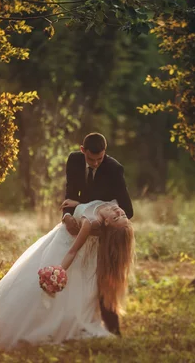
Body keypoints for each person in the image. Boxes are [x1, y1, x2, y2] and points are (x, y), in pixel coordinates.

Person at [0, 199, 134, 350]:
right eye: (122, 214)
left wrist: (58, 270)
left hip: (69, 247)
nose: (119, 212)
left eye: (117, 218)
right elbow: (92, 205)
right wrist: (77, 205)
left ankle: (49, 324)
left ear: (106, 223)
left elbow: (73, 251)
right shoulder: (113, 204)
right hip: (56, 238)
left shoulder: (91, 223)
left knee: (68, 292)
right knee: (28, 276)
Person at [62, 132, 133, 335]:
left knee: (102, 280)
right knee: (73, 274)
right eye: (90, 159)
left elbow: (128, 210)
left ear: (105, 152)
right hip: (78, 222)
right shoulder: (74, 160)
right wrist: (67, 216)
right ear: (82, 150)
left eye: (99, 159)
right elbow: (70, 194)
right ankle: (70, 321)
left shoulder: (114, 169)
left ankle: (112, 329)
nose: (95, 163)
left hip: (102, 232)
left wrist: (84, 207)